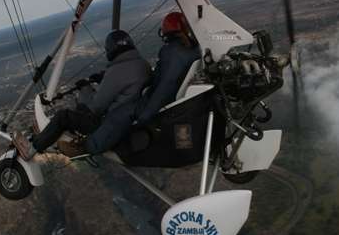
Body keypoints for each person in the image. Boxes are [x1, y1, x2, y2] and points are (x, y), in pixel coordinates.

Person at [13, 30, 150, 160]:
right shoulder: (143, 64)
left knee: (64, 116)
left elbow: (96, 106)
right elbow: (126, 84)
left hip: (108, 123)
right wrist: (103, 78)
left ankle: (31, 149)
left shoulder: (117, 71)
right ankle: (46, 135)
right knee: (79, 111)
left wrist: (85, 89)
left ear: (111, 50)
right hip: (129, 117)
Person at [134, 11, 201, 126]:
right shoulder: (195, 50)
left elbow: (166, 85)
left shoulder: (172, 53)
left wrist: (145, 116)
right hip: (184, 103)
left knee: (124, 112)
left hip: (168, 108)